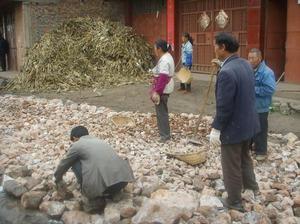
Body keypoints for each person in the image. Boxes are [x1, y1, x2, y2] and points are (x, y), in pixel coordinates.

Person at [209, 32, 260, 212]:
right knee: (245, 157)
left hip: (234, 127)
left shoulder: (227, 72)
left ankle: (235, 201)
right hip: (249, 123)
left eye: (215, 45)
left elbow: (224, 107)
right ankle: (252, 188)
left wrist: (216, 129)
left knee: (230, 164)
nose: (214, 49)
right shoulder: (245, 64)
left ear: (223, 47)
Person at [54, 126, 135, 213]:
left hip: (106, 188)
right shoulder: (100, 141)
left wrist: (57, 178)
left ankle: (92, 196)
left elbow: (64, 163)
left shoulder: (77, 145)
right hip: (122, 182)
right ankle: (114, 193)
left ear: (74, 138)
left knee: (74, 161)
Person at [248, 49, 276, 161]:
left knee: (260, 129)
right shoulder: (250, 69)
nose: (250, 60)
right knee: (249, 127)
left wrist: (253, 89)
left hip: (261, 107)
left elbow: (270, 89)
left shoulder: (267, 72)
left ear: (259, 59)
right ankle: (249, 147)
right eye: (248, 58)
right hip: (250, 106)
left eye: (252, 58)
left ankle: (261, 151)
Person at [150, 39, 175, 143]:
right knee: (162, 111)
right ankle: (164, 133)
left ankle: (165, 136)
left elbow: (163, 77)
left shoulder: (164, 60)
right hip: (165, 87)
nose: (154, 50)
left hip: (163, 90)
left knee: (161, 113)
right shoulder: (167, 57)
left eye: (155, 48)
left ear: (159, 49)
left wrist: (157, 91)